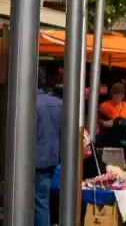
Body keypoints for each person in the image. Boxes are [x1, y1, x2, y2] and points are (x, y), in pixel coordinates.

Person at [35, 69, 61, 226]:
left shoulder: (30, 103)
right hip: (53, 159)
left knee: (40, 205)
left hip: (36, 161)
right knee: (44, 202)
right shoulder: (57, 102)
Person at [97, 83, 126, 148]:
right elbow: (100, 121)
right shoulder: (104, 106)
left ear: (123, 96)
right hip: (108, 136)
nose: (116, 97)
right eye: (115, 94)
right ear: (111, 95)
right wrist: (108, 123)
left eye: (119, 94)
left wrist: (119, 122)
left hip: (123, 136)